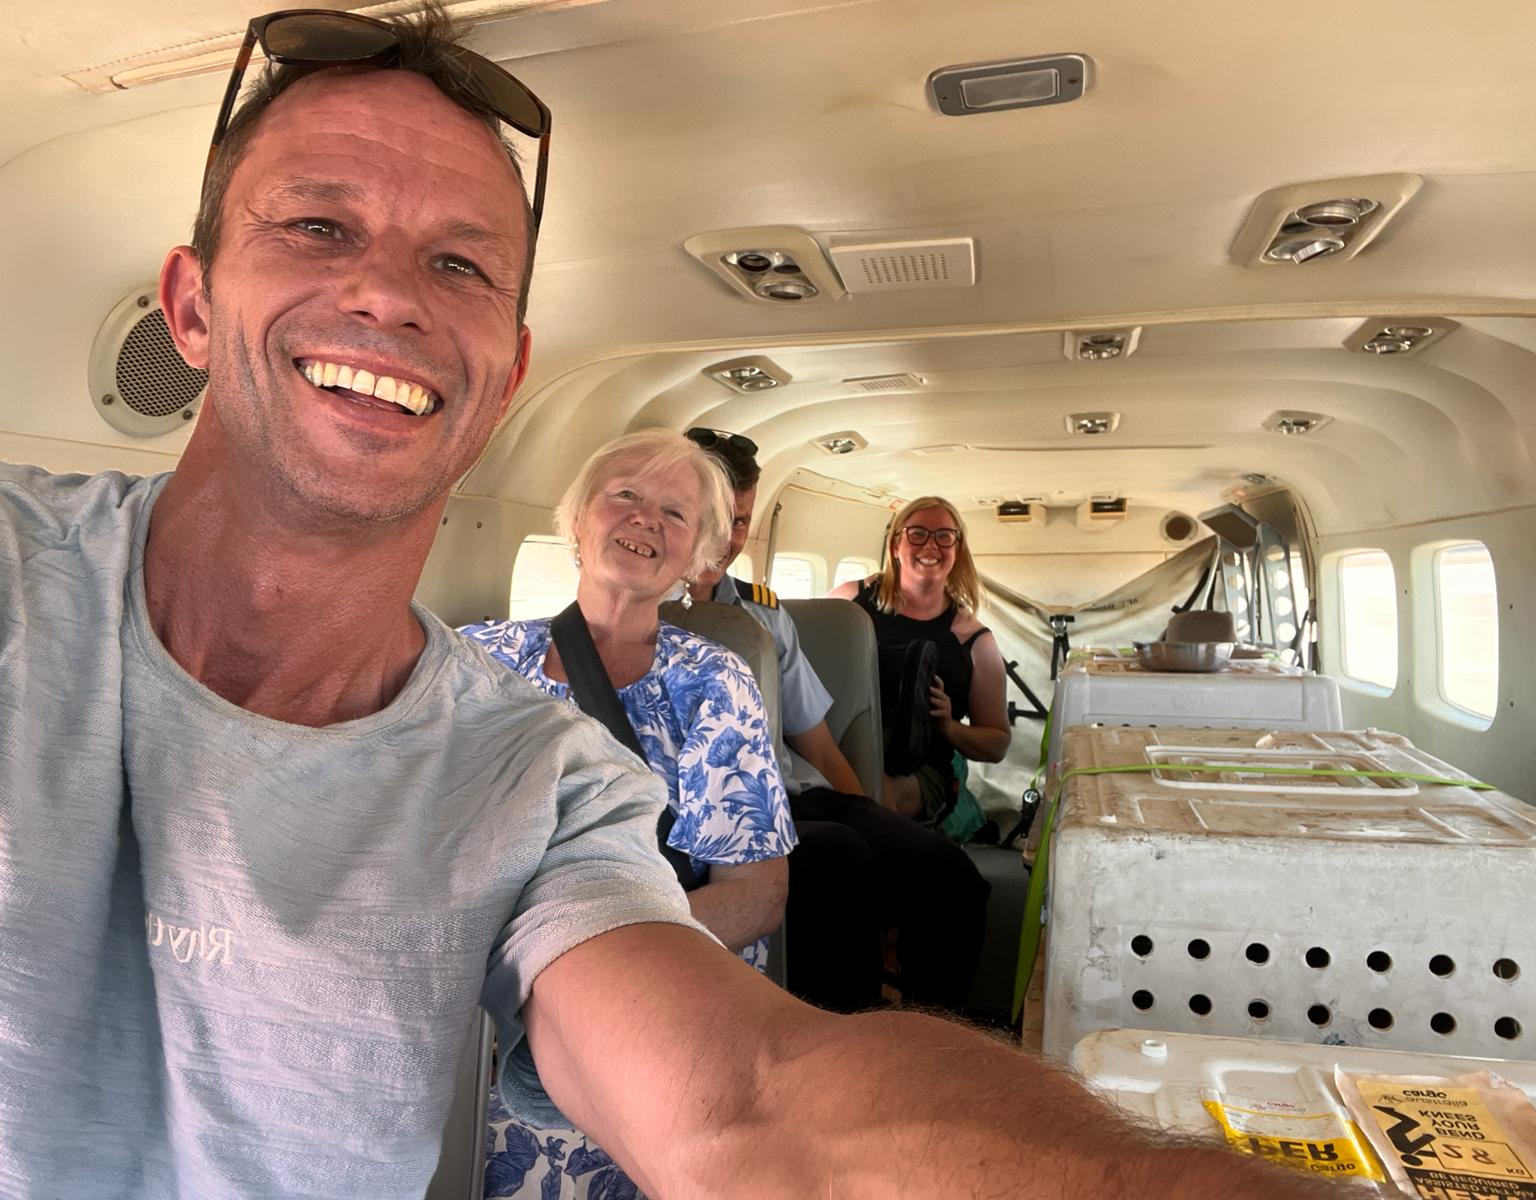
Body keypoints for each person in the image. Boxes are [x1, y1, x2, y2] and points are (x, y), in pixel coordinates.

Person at [0, 7, 1381, 1198]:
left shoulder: (535, 777)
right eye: (316, 226)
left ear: (509, 367)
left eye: (459, 264)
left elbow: (756, 1107)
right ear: (187, 306)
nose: (384, 294)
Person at [460, 428, 795, 1197]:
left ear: (699, 558)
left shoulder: (715, 684)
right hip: (472, 1003)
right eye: (625, 496)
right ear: (577, 520)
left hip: (640, 1012)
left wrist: (575, 979)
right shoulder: (475, 662)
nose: (646, 520)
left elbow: (754, 894)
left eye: (675, 513)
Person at [686, 428, 990, 1015]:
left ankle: (932, 1044)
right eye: (714, 514)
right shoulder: (629, 621)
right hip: (716, 815)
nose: (728, 536)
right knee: (836, 860)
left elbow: (815, 742)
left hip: (795, 795)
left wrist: (875, 815)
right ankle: (839, 1047)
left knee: (948, 874)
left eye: (743, 520)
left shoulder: (765, 619)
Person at [828, 497, 1013, 824]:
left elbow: (996, 744)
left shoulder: (973, 640)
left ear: (957, 550)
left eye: (944, 536)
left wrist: (948, 726)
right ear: (896, 544)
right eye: (917, 534)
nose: (931, 545)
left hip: (919, 770)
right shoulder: (848, 601)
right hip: (837, 747)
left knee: (873, 794)